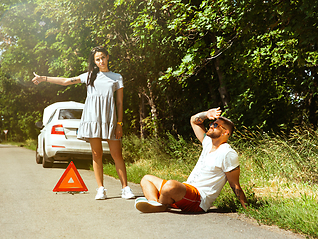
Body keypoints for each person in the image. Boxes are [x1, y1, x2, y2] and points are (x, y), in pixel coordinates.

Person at [32, 46, 135, 200]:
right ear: (94, 62)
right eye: (97, 59)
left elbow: (119, 103)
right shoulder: (89, 76)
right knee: (96, 154)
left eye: (103, 57)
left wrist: (119, 123)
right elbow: (66, 81)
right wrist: (44, 78)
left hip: (110, 120)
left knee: (116, 154)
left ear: (108, 57)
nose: (101, 61)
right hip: (92, 119)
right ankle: (101, 189)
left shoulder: (116, 77)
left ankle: (125, 188)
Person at [135, 107, 248, 213]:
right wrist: (206, 114)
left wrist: (247, 208)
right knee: (147, 179)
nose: (211, 126)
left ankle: (161, 203)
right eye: (211, 123)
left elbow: (235, 184)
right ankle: (156, 203)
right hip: (186, 191)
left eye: (215, 125)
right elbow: (194, 121)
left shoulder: (227, 153)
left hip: (199, 199)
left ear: (225, 132)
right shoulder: (208, 143)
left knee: (170, 185)